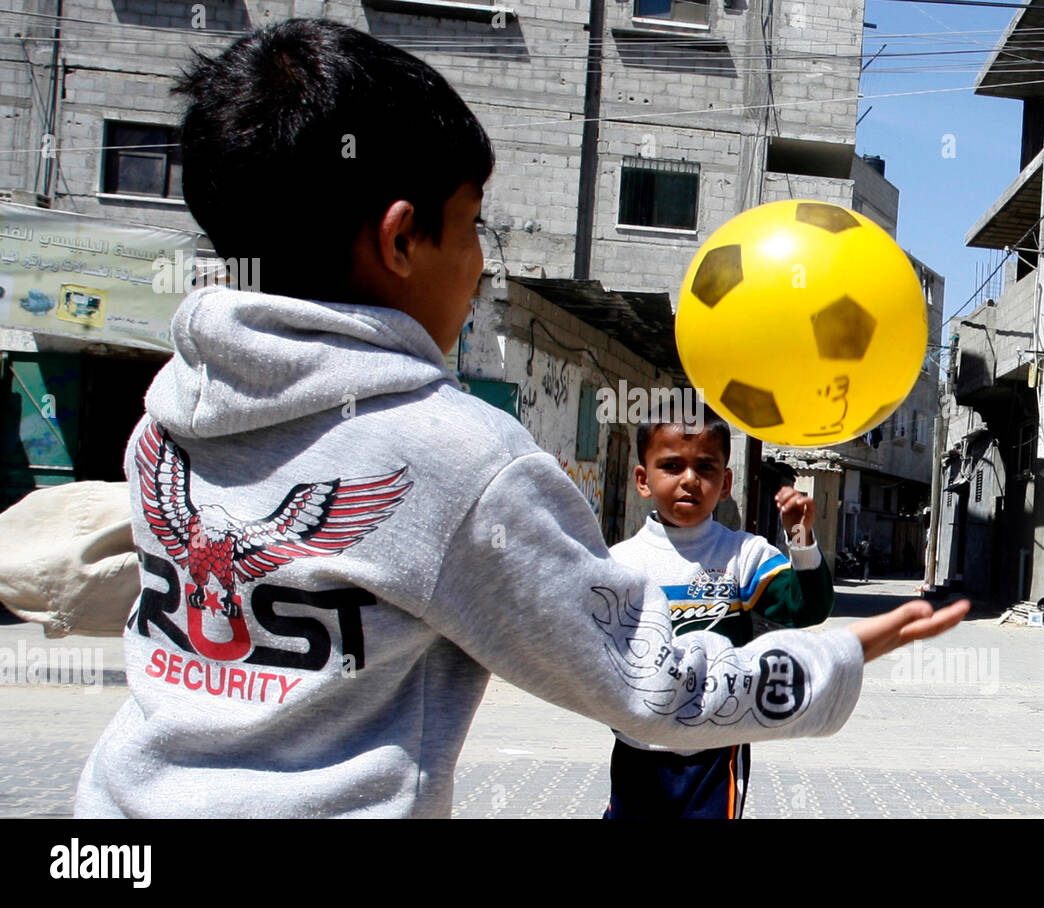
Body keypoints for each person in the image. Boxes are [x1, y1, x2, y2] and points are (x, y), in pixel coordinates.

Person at [73, 19, 969, 818]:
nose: (478, 260)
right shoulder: (454, 456)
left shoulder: (166, 421)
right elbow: (654, 688)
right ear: (398, 240)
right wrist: (840, 652)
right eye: (471, 225)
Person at [604, 409, 833, 819]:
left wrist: (800, 538)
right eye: (672, 466)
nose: (689, 479)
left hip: (714, 752)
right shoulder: (618, 565)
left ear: (725, 482)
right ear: (643, 479)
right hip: (636, 748)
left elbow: (807, 608)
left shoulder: (743, 555)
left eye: (705, 467)